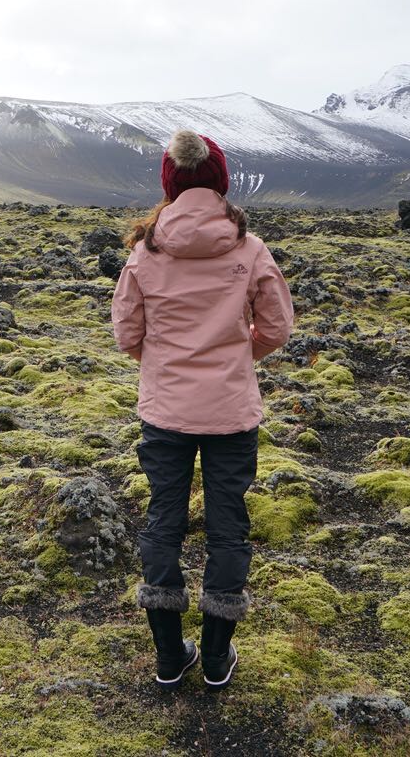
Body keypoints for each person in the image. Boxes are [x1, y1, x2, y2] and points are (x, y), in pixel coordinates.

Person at [110, 129, 295, 690]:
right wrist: (241, 355)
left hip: (165, 412)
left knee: (163, 522)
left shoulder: (146, 252)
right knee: (228, 528)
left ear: (170, 183)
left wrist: (165, 363)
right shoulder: (249, 247)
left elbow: (126, 334)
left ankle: (170, 656)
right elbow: (279, 327)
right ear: (220, 182)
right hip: (231, 413)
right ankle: (216, 658)